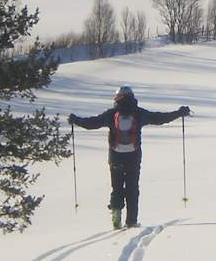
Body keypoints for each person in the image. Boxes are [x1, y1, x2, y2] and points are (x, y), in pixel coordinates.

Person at [68, 85, 191, 228]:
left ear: (117, 97)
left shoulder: (111, 113)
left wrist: (75, 120)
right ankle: (131, 221)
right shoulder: (139, 113)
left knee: (117, 187)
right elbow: (159, 118)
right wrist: (178, 113)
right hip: (133, 156)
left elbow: (92, 123)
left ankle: (116, 215)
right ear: (132, 96)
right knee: (132, 188)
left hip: (115, 156)